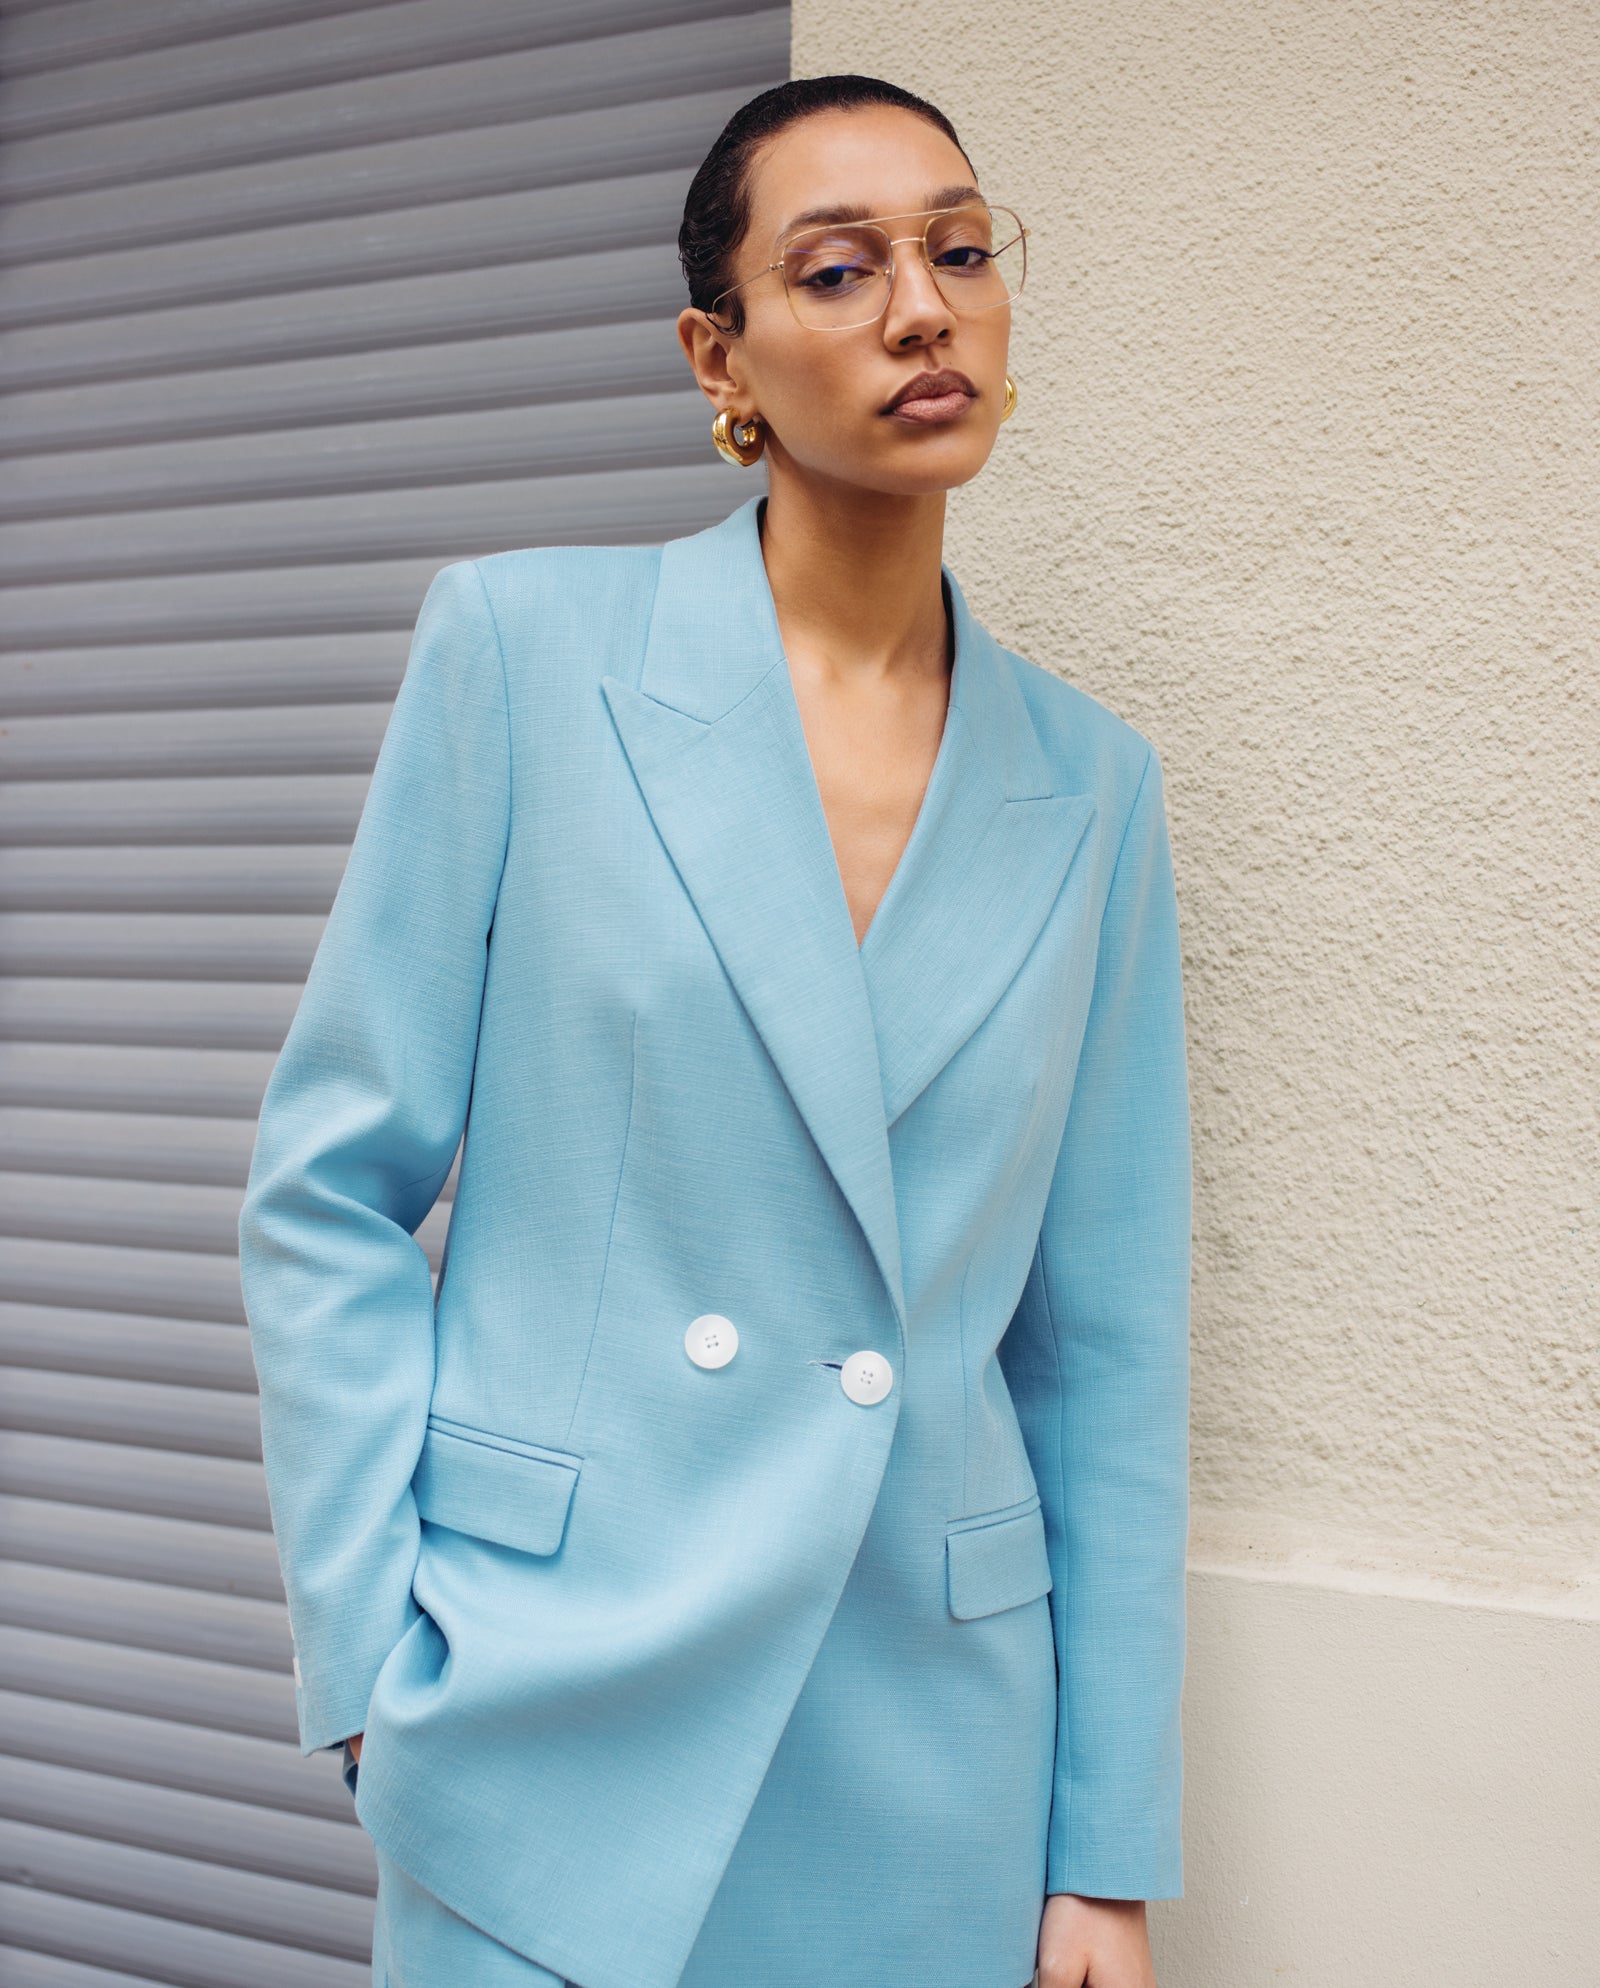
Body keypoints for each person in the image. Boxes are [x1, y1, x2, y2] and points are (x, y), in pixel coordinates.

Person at [238, 73, 1191, 1988]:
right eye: (838, 270)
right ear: (720, 354)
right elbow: (329, 1194)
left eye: (961, 249)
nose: (924, 309)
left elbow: (1103, 1348)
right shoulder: (525, 654)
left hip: (932, 1743)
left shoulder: (1094, 787)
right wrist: (371, 1656)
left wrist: (1105, 1850)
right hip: (552, 1709)